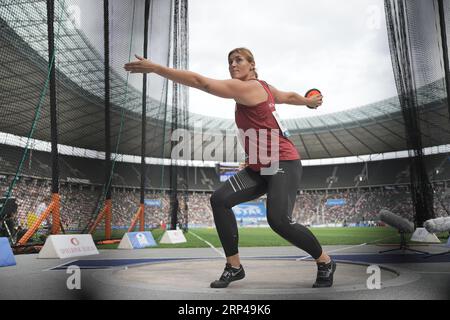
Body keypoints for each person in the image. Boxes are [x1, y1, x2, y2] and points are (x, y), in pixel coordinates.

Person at [124, 47, 336, 288]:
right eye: (230, 62)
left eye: (238, 60)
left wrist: (157, 69)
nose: (233, 65)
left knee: (279, 221)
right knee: (220, 199)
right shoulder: (265, 88)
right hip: (259, 167)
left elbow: (200, 82)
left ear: (252, 65)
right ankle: (234, 266)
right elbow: (287, 97)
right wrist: (308, 101)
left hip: (282, 162)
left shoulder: (248, 88)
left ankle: (325, 261)